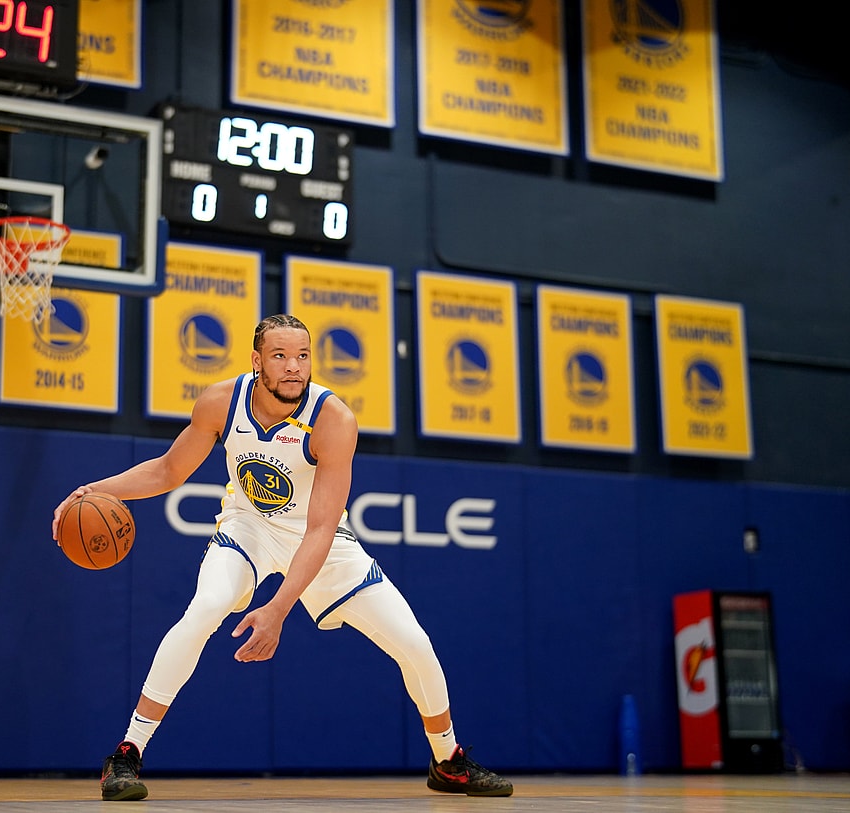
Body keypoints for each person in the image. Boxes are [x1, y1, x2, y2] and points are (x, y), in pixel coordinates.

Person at [52, 314, 513, 801]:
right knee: (204, 610)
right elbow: (168, 470)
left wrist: (278, 610)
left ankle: (447, 761)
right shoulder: (220, 402)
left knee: (415, 644)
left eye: (302, 356)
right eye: (280, 356)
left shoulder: (334, 420)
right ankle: (127, 753)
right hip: (247, 528)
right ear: (257, 361)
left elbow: (318, 529)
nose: (294, 367)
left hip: (322, 540)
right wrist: (90, 490)